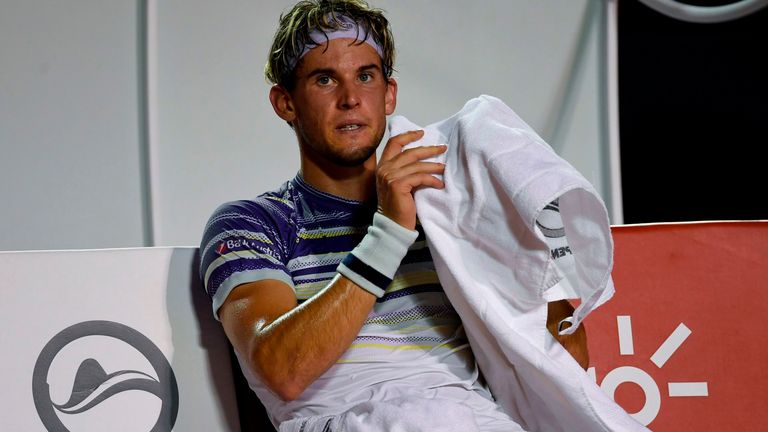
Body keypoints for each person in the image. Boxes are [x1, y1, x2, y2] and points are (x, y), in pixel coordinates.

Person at [199, 1, 587, 430]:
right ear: (285, 102)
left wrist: (525, 253)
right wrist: (389, 230)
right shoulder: (253, 222)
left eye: (365, 76)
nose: (350, 99)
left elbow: (560, 365)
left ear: (389, 95)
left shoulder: (444, 208)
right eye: (325, 79)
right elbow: (283, 371)